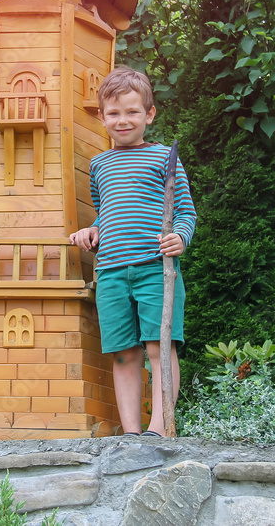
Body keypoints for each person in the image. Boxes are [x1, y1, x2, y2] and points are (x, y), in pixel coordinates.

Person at [69, 66, 196, 437]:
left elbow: (185, 212)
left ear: (149, 114)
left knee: (159, 347)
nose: (122, 120)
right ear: (101, 117)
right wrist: (92, 230)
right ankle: (131, 435)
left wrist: (181, 238)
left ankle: (159, 429)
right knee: (123, 353)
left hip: (155, 268)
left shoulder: (163, 159)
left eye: (132, 112)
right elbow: (107, 210)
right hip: (109, 272)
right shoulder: (98, 164)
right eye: (114, 113)